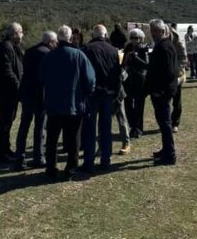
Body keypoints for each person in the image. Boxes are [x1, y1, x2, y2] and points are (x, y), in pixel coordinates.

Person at [42, 25, 95, 180]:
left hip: (53, 105)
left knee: (52, 139)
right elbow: (90, 80)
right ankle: (71, 169)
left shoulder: (49, 56)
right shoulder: (79, 55)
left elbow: (41, 77)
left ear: (58, 38)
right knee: (73, 139)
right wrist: (87, 93)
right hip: (74, 104)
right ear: (70, 38)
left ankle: (51, 168)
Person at [14, 30, 57, 170]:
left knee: (24, 126)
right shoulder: (48, 54)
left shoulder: (30, 51)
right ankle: (39, 157)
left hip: (27, 93)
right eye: (55, 42)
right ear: (51, 42)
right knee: (40, 127)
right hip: (39, 95)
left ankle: (19, 157)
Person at [82, 25, 121, 172]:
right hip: (108, 94)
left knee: (90, 128)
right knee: (106, 128)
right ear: (105, 35)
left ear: (93, 35)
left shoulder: (87, 49)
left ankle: (88, 162)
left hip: (92, 94)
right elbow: (118, 73)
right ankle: (106, 160)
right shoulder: (114, 51)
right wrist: (116, 92)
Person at [0, 22, 24, 166]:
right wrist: (18, 86)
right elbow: (7, 71)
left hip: (10, 92)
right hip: (6, 92)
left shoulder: (12, 46)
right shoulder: (6, 47)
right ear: (15, 33)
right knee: (4, 121)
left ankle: (6, 149)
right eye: (21, 32)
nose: (22, 35)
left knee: (8, 120)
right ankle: (0, 153)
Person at [145, 19, 178, 166]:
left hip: (162, 92)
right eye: (151, 31)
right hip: (161, 91)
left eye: (155, 31)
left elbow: (169, 72)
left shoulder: (164, 47)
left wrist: (160, 91)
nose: (153, 34)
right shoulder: (163, 45)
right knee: (163, 123)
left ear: (162, 31)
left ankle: (170, 155)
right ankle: (166, 150)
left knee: (165, 124)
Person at [123, 28, 149, 138]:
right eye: (132, 37)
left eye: (136, 38)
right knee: (128, 103)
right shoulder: (127, 47)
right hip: (128, 79)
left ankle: (138, 128)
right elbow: (123, 62)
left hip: (140, 79)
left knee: (139, 104)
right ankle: (132, 126)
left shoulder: (144, 48)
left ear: (141, 38)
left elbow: (146, 64)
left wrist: (136, 57)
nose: (134, 40)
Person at [169, 24, 187, 132]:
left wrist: (177, 69)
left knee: (176, 100)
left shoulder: (177, 42)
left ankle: (175, 122)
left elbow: (183, 58)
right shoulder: (160, 41)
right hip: (165, 74)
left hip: (176, 74)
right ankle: (167, 122)